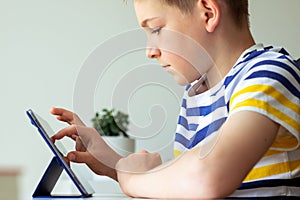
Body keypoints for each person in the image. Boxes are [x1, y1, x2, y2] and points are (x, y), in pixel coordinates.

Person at [51, 0, 300, 198]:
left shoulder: (268, 74)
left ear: (208, 13)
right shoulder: (197, 94)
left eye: (156, 29)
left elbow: (207, 178)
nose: (150, 50)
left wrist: (131, 180)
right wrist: (116, 166)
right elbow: (184, 184)